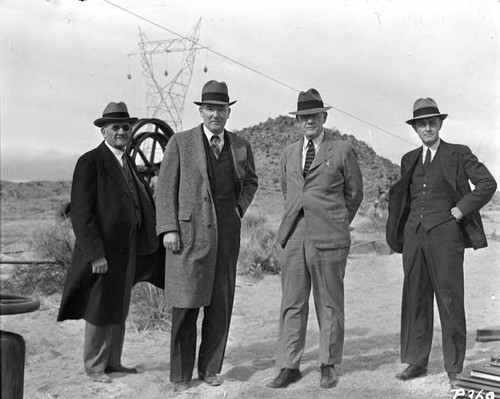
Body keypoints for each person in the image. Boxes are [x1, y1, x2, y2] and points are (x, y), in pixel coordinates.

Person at [386, 98, 497, 389]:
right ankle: (416, 361)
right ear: (415, 129)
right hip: (414, 237)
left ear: (440, 124)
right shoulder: (408, 159)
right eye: (421, 124)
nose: (427, 128)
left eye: (431, 122)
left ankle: (454, 368)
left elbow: (487, 184)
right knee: (415, 297)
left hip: (446, 237)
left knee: (449, 300)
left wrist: (461, 209)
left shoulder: (458, 154)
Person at [155, 80, 258, 391]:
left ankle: (210, 370)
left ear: (228, 112)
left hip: (227, 236)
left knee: (220, 305)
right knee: (186, 305)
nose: (216, 114)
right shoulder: (180, 142)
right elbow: (164, 190)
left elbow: (251, 182)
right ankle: (180, 376)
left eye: (221, 108)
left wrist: (238, 210)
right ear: (201, 111)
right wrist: (169, 228)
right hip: (188, 236)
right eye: (210, 108)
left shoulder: (241, 146)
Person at [57, 101, 165, 383]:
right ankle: (95, 367)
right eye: (115, 127)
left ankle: (113, 362)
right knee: (98, 306)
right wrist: (95, 254)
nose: (122, 131)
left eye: (126, 127)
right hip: (103, 251)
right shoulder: (90, 162)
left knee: (119, 305)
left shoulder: (127, 161)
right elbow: (81, 212)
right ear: (103, 131)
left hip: (128, 249)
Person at [268, 88, 363, 389]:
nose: (308, 120)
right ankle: (288, 365)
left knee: (329, 302)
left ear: (324, 116)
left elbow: (354, 193)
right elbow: (289, 191)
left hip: (329, 235)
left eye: (313, 115)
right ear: (297, 121)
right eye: (303, 116)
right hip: (295, 235)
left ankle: (329, 364)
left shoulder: (342, 149)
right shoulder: (288, 153)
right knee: (292, 302)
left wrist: (336, 221)